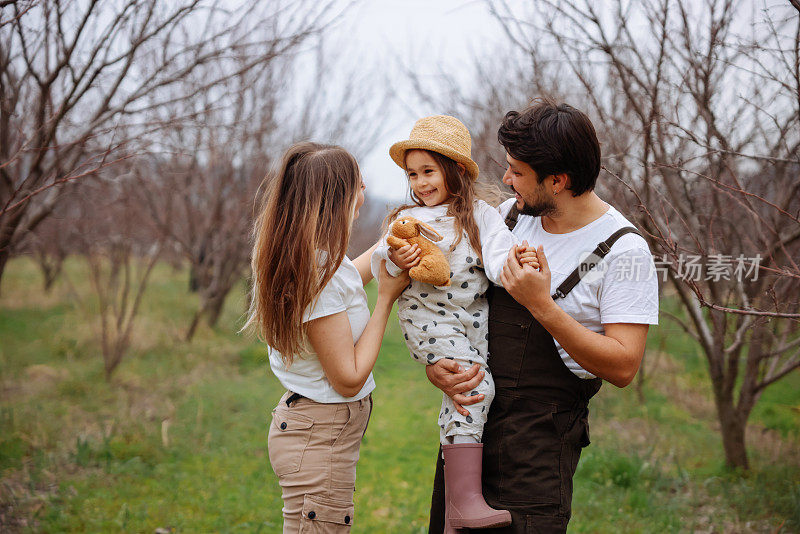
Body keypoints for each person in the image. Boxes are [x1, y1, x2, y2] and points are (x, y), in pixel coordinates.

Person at [426, 99, 660, 533]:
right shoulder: (508, 220)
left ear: (558, 180)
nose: (505, 178)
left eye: (517, 171)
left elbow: (624, 366)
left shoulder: (622, 251)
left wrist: (542, 306)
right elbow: (456, 302)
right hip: (470, 436)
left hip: (537, 456)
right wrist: (439, 364)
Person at [370, 115, 538, 531]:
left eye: (429, 171)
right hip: (428, 320)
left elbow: (498, 255)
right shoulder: (406, 218)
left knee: (472, 384)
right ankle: (464, 502)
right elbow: (379, 259)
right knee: (473, 385)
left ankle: (452, 518)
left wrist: (518, 265)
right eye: (413, 174)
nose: (421, 183)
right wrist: (395, 259)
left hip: (470, 321)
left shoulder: (480, 215)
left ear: (456, 171)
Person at [243, 142, 409, 533]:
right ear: (336, 199)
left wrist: (387, 246)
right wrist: (386, 298)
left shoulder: (309, 259)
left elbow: (342, 285)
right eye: (358, 185)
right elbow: (348, 378)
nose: (364, 192)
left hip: (310, 432)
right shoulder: (320, 272)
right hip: (317, 440)